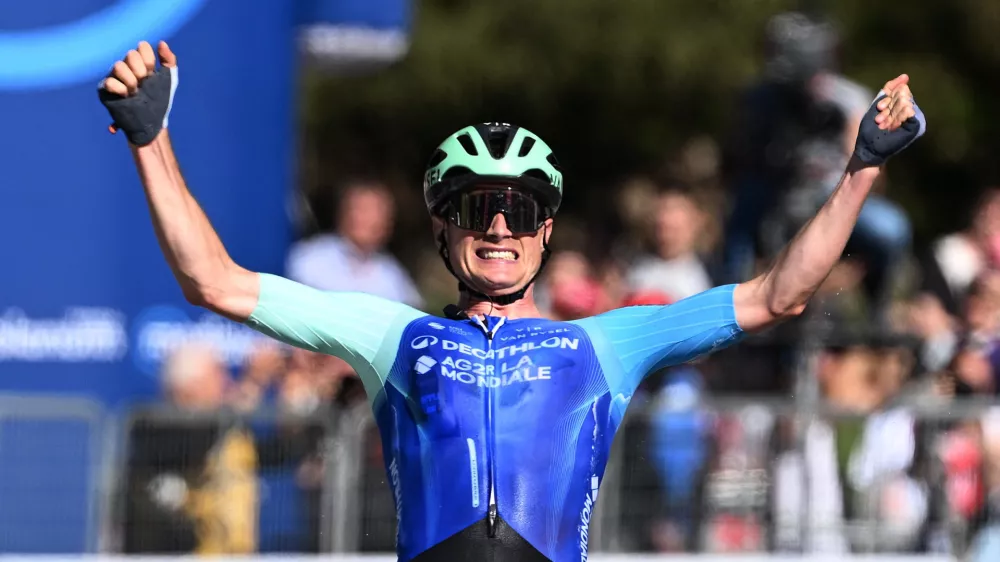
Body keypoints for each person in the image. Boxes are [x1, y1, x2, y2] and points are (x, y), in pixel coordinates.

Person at [98, 40, 924, 562]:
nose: (499, 227)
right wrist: (150, 138)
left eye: (521, 211)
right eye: (477, 207)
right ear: (441, 228)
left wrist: (862, 169)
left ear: (546, 231)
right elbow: (214, 281)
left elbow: (779, 294)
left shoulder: (604, 343)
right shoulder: (391, 335)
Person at [721, 12, 912, 325]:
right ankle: (729, 308)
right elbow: (738, 158)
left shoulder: (848, 100)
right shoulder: (759, 99)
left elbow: (872, 168)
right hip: (775, 190)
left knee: (890, 229)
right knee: (741, 217)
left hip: (834, 192)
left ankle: (877, 314)